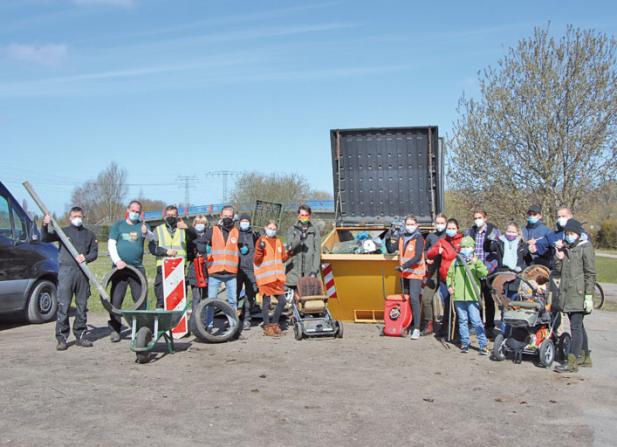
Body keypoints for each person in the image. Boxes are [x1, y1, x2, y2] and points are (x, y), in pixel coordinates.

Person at [42, 208, 98, 350]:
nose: (77, 218)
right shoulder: (63, 232)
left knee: (81, 306)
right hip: (66, 272)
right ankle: (62, 338)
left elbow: (94, 253)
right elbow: (45, 238)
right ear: (70, 217)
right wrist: (45, 224)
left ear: (83, 217)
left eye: (79, 216)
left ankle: (81, 336)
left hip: (82, 273)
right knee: (64, 306)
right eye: (75, 216)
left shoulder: (89, 234)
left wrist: (85, 257)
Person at [107, 200, 154, 342]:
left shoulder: (143, 226)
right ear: (128, 210)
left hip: (137, 269)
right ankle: (115, 329)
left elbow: (154, 239)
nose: (135, 213)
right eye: (133, 210)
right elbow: (111, 244)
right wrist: (117, 261)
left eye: (137, 211)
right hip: (120, 269)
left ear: (140, 213)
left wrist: (147, 233)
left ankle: (140, 330)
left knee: (140, 300)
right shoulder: (118, 225)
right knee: (116, 300)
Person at [554, 220, 596, 373]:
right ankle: (584, 357)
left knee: (575, 327)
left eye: (571, 234)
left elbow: (590, 273)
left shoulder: (585, 248)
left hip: (579, 293)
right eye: (567, 234)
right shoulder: (567, 249)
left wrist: (588, 295)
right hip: (568, 293)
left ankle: (572, 361)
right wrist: (558, 257)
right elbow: (560, 270)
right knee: (578, 325)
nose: (569, 236)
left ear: (578, 234)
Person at [446, 236, 489, 354]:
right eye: (463, 247)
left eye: (468, 247)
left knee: (476, 321)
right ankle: (465, 343)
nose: (465, 249)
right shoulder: (456, 262)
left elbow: (484, 273)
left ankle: (483, 344)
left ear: (473, 248)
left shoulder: (476, 261)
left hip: (472, 296)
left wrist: (476, 264)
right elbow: (449, 275)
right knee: (462, 320)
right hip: (459, 297)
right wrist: (449, 286)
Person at [386, 215, 425, 339]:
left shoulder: (419, 238)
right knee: (405, 300)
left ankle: (417, 328)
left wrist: (404, 266)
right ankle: (406, 323)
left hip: (415, 273)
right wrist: (388, 236)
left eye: (412, 224)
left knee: (414, 299)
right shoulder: (401, 237)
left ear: (417, 225)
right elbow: (391, 249)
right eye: (407, 224)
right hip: (404, 274)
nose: (409, 226)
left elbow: (418, 256)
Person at [149, 205, 195, 309]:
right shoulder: (158, 229)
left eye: (173, 215)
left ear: (178, 216)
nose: (171, 217)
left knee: (179, 298)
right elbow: (152, 248)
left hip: (179, 268)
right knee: (161, 298)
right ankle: (161, 322)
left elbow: (195, 237)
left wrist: (187, 228)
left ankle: (178, 322)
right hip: (163, 268)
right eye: (169, 215)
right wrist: (166, 252)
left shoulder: (183, 229)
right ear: (165, 216)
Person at [203, 205, 240, 331]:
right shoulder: (213, 230)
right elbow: (201, 242)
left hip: (231, 273)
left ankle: (233, 327)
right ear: (221, 216)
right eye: (225, 216)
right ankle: (209, 326)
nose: (228, 218)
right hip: (215, 272)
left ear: (233, 217)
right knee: (211, 302)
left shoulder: (236, 232)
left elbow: (244, 246)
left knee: (233, 302)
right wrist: (205, 250)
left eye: (230, 216)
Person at [465, 209, 500, 337]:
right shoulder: (470, 232)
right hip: (474, 271)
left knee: (489, 300)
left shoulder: (493, 231)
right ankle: (477, 325)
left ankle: (489, 326)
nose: (477, 220)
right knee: (476, 299)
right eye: (475, 217)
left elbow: (497, 251)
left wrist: (489, 268)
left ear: (485, 218)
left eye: (480, 217)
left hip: (489, 270)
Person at [254, 220, 292, 336]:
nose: (272, 230)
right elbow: (256, 259)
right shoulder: (261, 241)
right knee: (266, 302)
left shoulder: (279, 242)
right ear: (265, 228)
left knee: (282, 301)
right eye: (270, 228)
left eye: (274, 228)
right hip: (266, 277)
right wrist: (260, 250)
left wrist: (290, 252)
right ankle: (267, 326)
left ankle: (274, 323)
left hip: (277, 278)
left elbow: (283, 258)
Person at [426, 218, 463, 339]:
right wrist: (438, 250)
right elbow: (429, 253)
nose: (450, 230)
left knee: (457, 306)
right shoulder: (442, 241)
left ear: (457, 228)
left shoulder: (462, 241)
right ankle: (446, 329)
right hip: (444, 278)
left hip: (458, 278)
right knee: (446, 304)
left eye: (453, 228)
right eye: (449, 228)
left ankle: (457, 331)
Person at [421, 213, 447, 335]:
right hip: (433, 271)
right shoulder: (431, 236)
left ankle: (446, 326)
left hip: (446, 272)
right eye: (438, 223)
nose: (439, 225)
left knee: (446, 300)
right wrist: (427, 258)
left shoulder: (448, 236)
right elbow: (425, 250)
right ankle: (429, 324)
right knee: (426, 298)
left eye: (442, 223)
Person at [286, 204, 321, 289]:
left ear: (309, 216)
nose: (304, 217)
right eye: (302, 215)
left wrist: (314, 270)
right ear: (298, 215)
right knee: (296, 297)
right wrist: (299, 238)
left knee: (308, 297)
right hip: (294, 270)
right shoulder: (292, 229)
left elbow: (317, 252)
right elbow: (289, 247)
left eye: (306, 215)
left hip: (309, 270)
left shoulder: (314, 230)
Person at [237, 213, 259, 330]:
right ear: (239, 222)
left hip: (251, 270)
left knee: (249, 297)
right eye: (242, 221)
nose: (244, 223)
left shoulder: (254, 235)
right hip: (237, 269)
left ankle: (247, 319)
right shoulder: (235, 234)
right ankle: (234, 320)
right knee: (234, 296)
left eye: (246, 221)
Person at [186, 215, 209, 319]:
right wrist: (194, 254)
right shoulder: (190, 236)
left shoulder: (209, 236)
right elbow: (187, 253)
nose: (200, 225)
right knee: (196, 297)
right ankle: (195, 320)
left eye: (203, 223)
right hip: (194, 269)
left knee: (205, 297)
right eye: (198, 223)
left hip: (207, 270)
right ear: (194, 225)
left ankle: (204, 321)